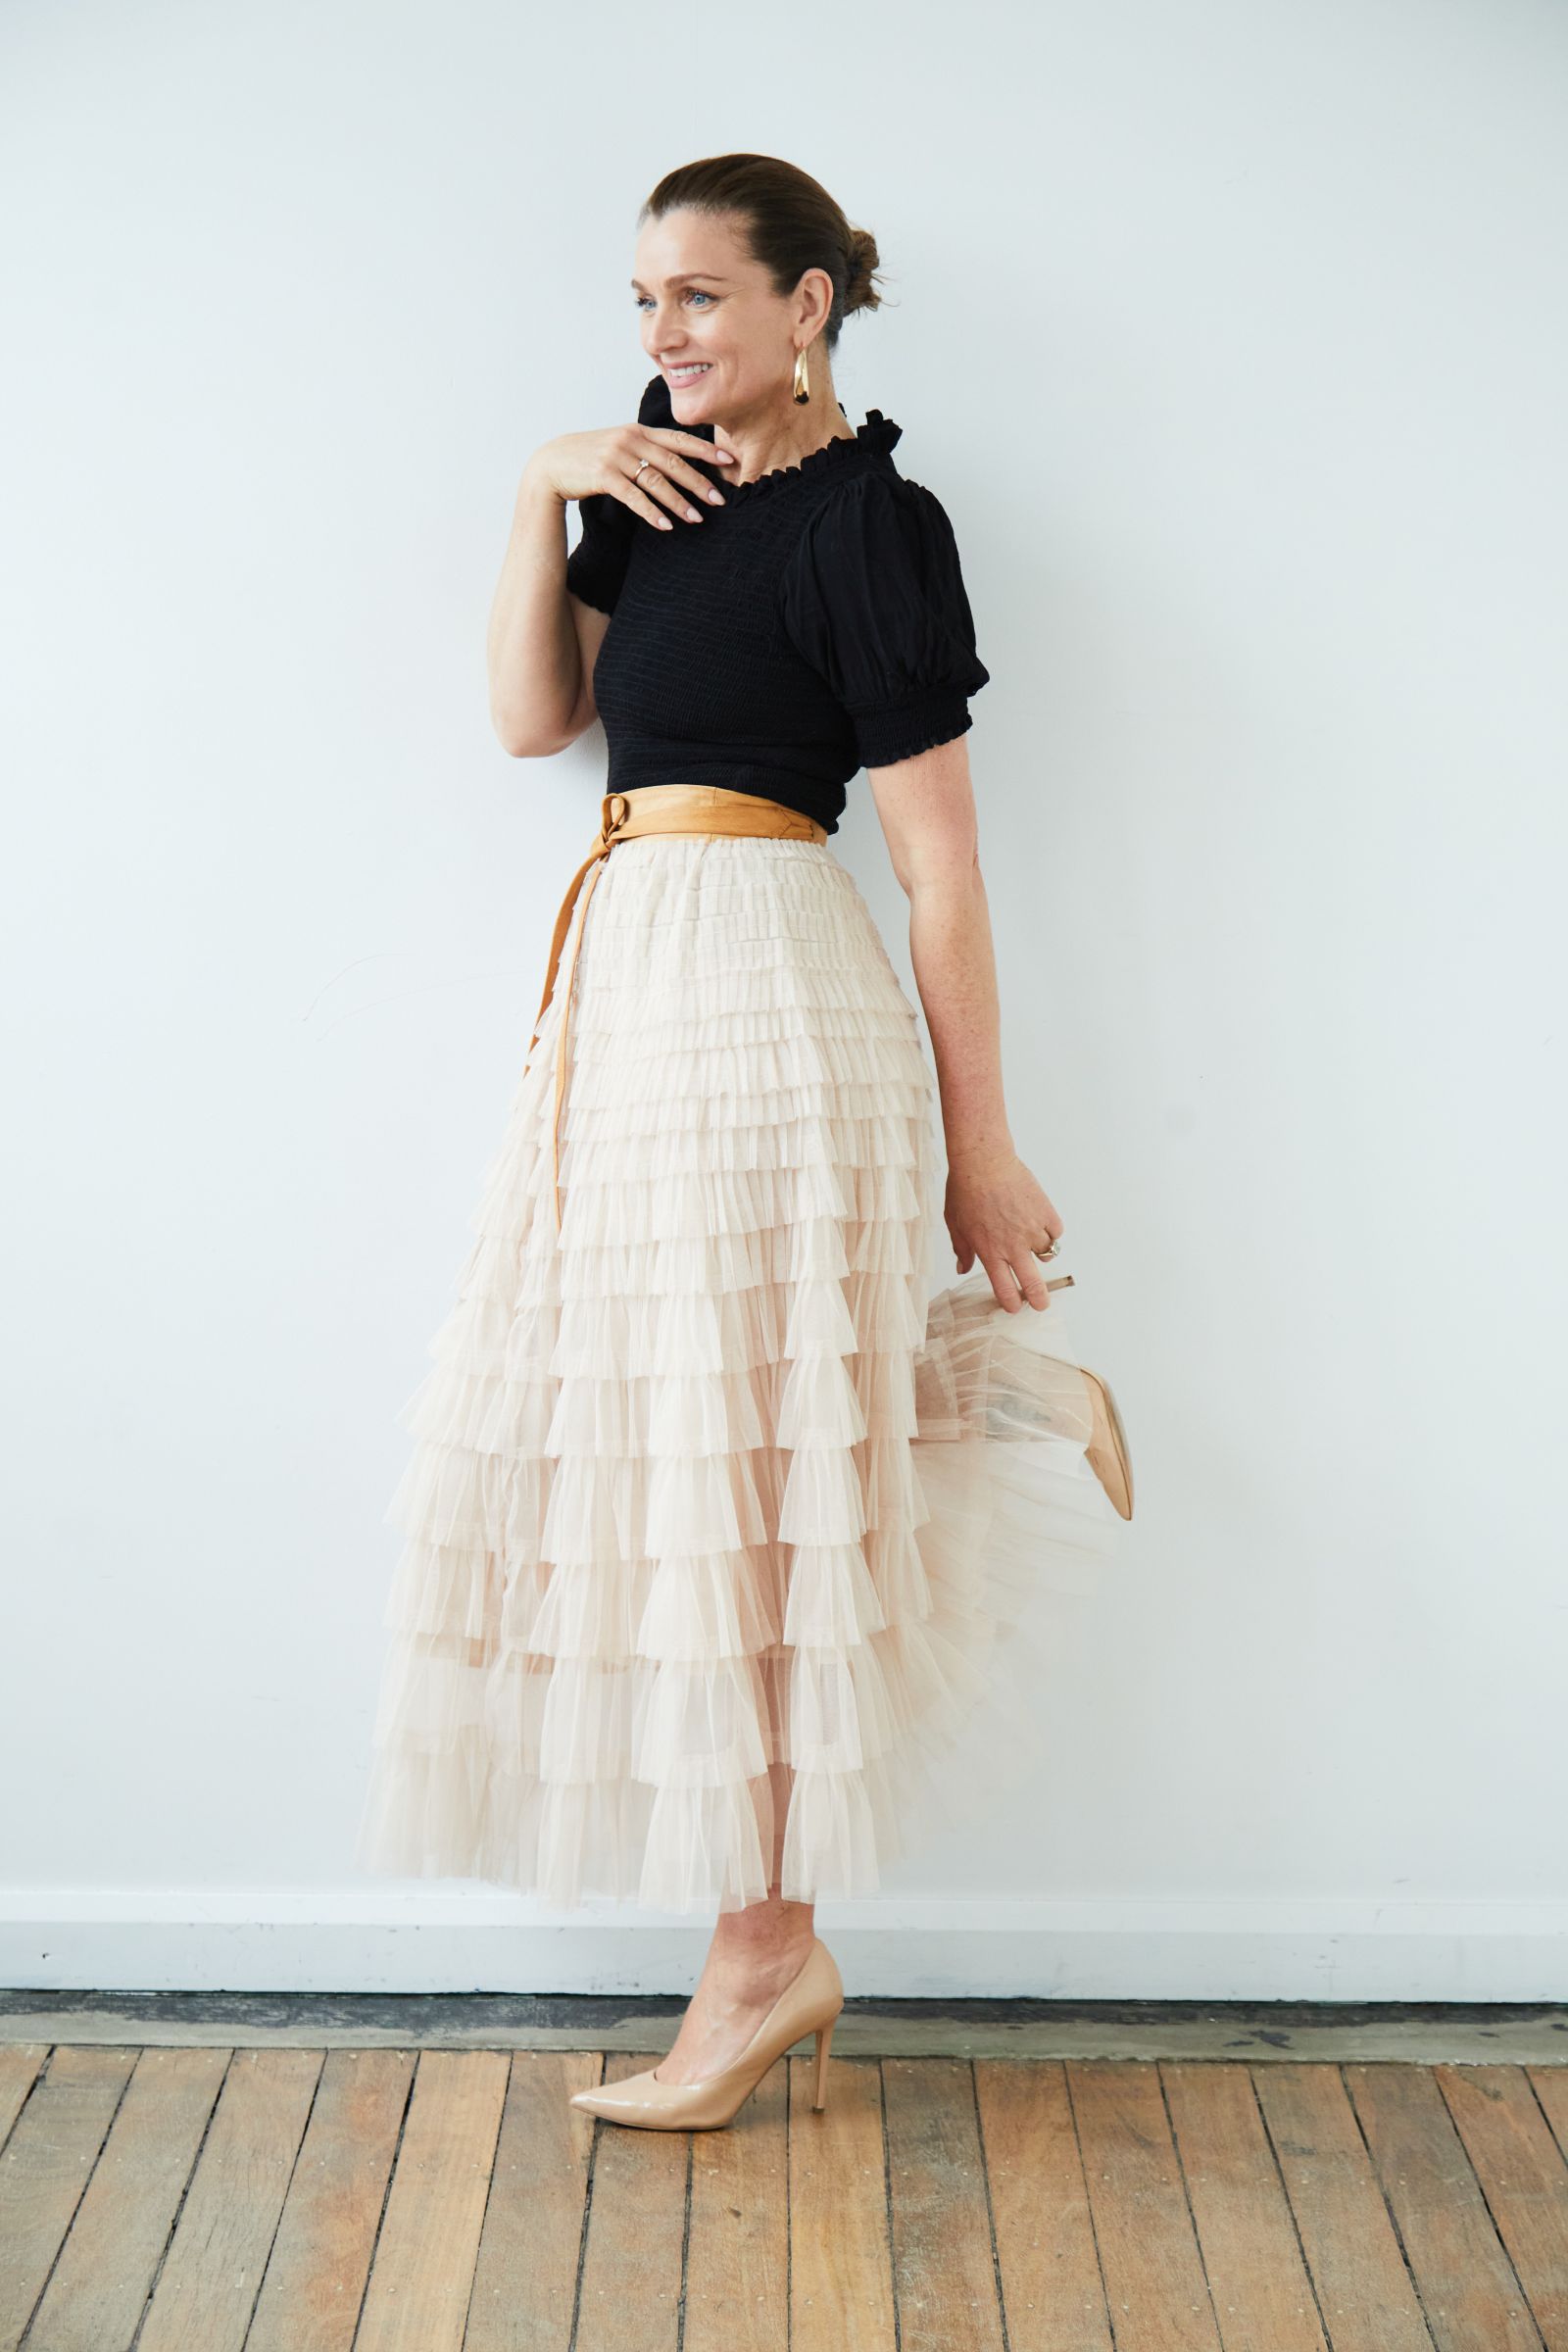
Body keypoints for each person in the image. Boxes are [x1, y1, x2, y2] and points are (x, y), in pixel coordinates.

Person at [354, 152, 1122, 2132]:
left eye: (699, 297)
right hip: (624, 993)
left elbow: (940, 877)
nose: (661, 339)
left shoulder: (876, 523)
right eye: (638, 302)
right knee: (665, 1438)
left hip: (772, 994)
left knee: (747, 1477)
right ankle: (992, 1393)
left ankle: (761, 1952)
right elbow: (537, 723)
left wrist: (986, 1153)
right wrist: (544, 489)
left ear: (808, 308)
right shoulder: (646, 487)